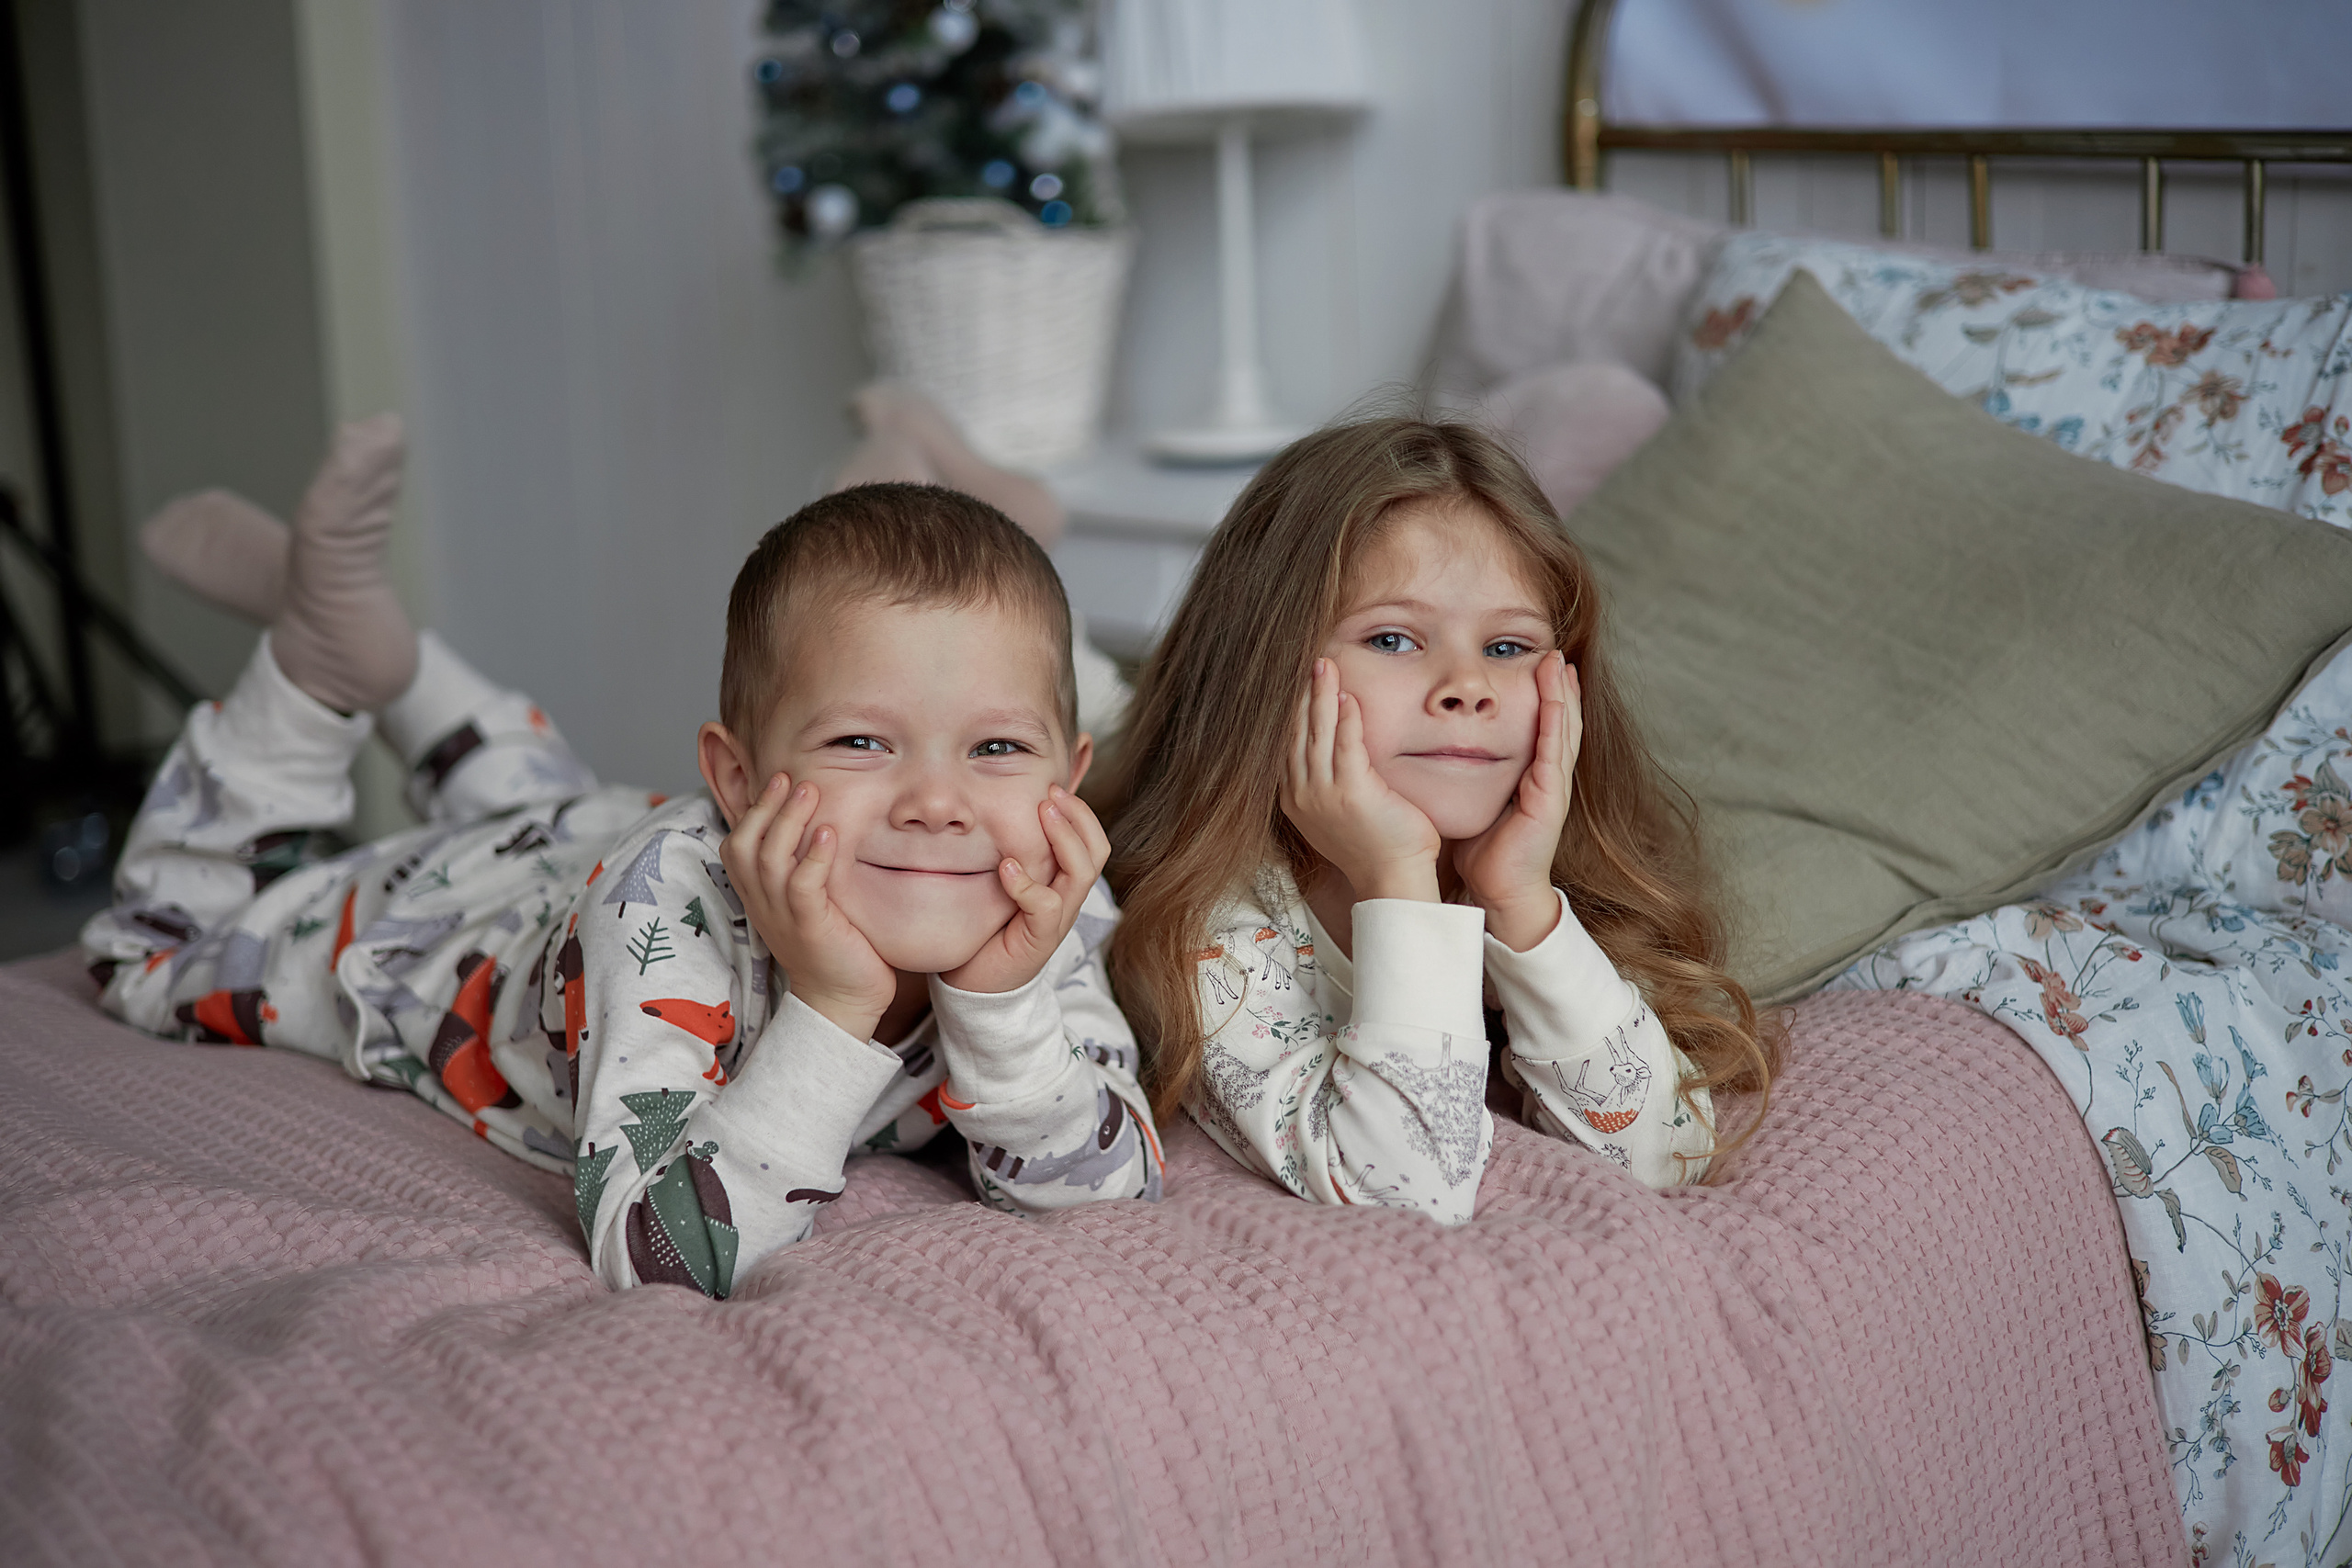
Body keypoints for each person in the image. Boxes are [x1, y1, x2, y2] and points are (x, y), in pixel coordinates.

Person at [86, 415, 1159, 1297]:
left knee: (560, 814)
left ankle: (399, 663)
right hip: (474, 930)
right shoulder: (662, 901)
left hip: (584, 838)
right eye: (861, 742)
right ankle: (322, 670)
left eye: (998, 748)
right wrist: (832, 1011)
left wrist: (1005, 1008)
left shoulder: (1045, 896)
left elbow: (1103, 1191)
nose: (938, 804)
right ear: (735, 780)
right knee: (156, 952)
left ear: (1066, 775)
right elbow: (657, 1251)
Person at [1095, 416, 1776, 1224]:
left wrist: (1520, 901)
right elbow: (1408, 1189)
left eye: (1508, 647)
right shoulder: (1205, 923)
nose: (1466, 687)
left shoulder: (1545, 873)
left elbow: (1666, 1156)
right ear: (1265, 669)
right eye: (1393, 637)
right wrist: (1399, 880)